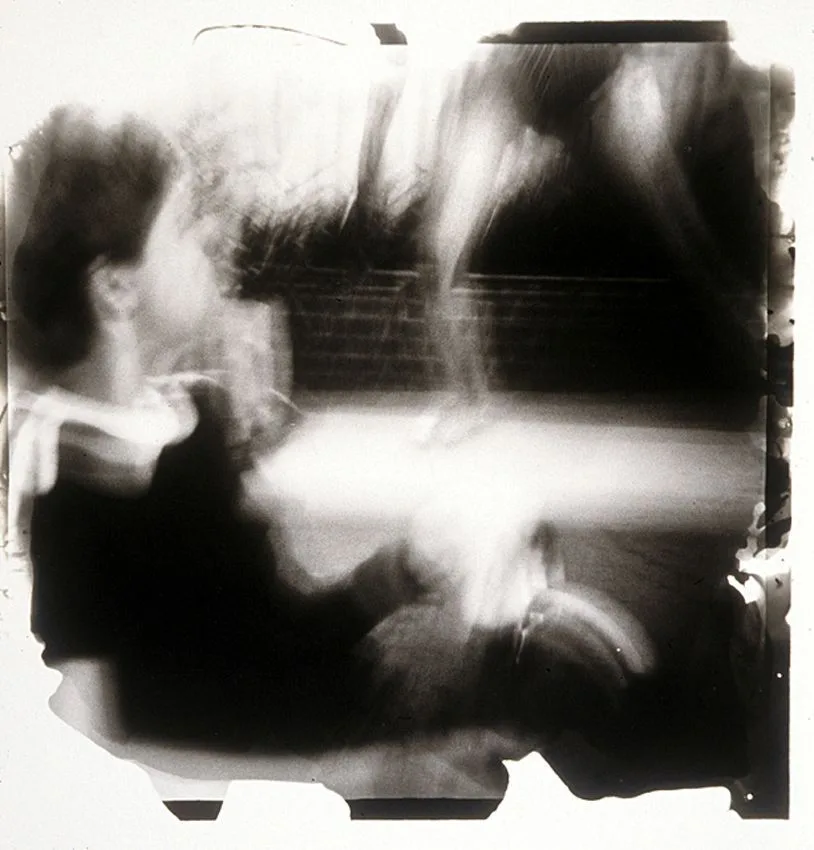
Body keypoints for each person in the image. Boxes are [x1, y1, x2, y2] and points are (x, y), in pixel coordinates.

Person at [8, 104, 654, 756]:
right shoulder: (68, 480)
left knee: (574, 654)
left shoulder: (194, 416)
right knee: (588, 709)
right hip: (306, 764)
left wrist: (405, 567)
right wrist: (353, 775)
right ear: (116, 289)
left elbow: (276, 636)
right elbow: (97, 746)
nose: (212, 237)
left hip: (338, 707)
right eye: (183, 225)